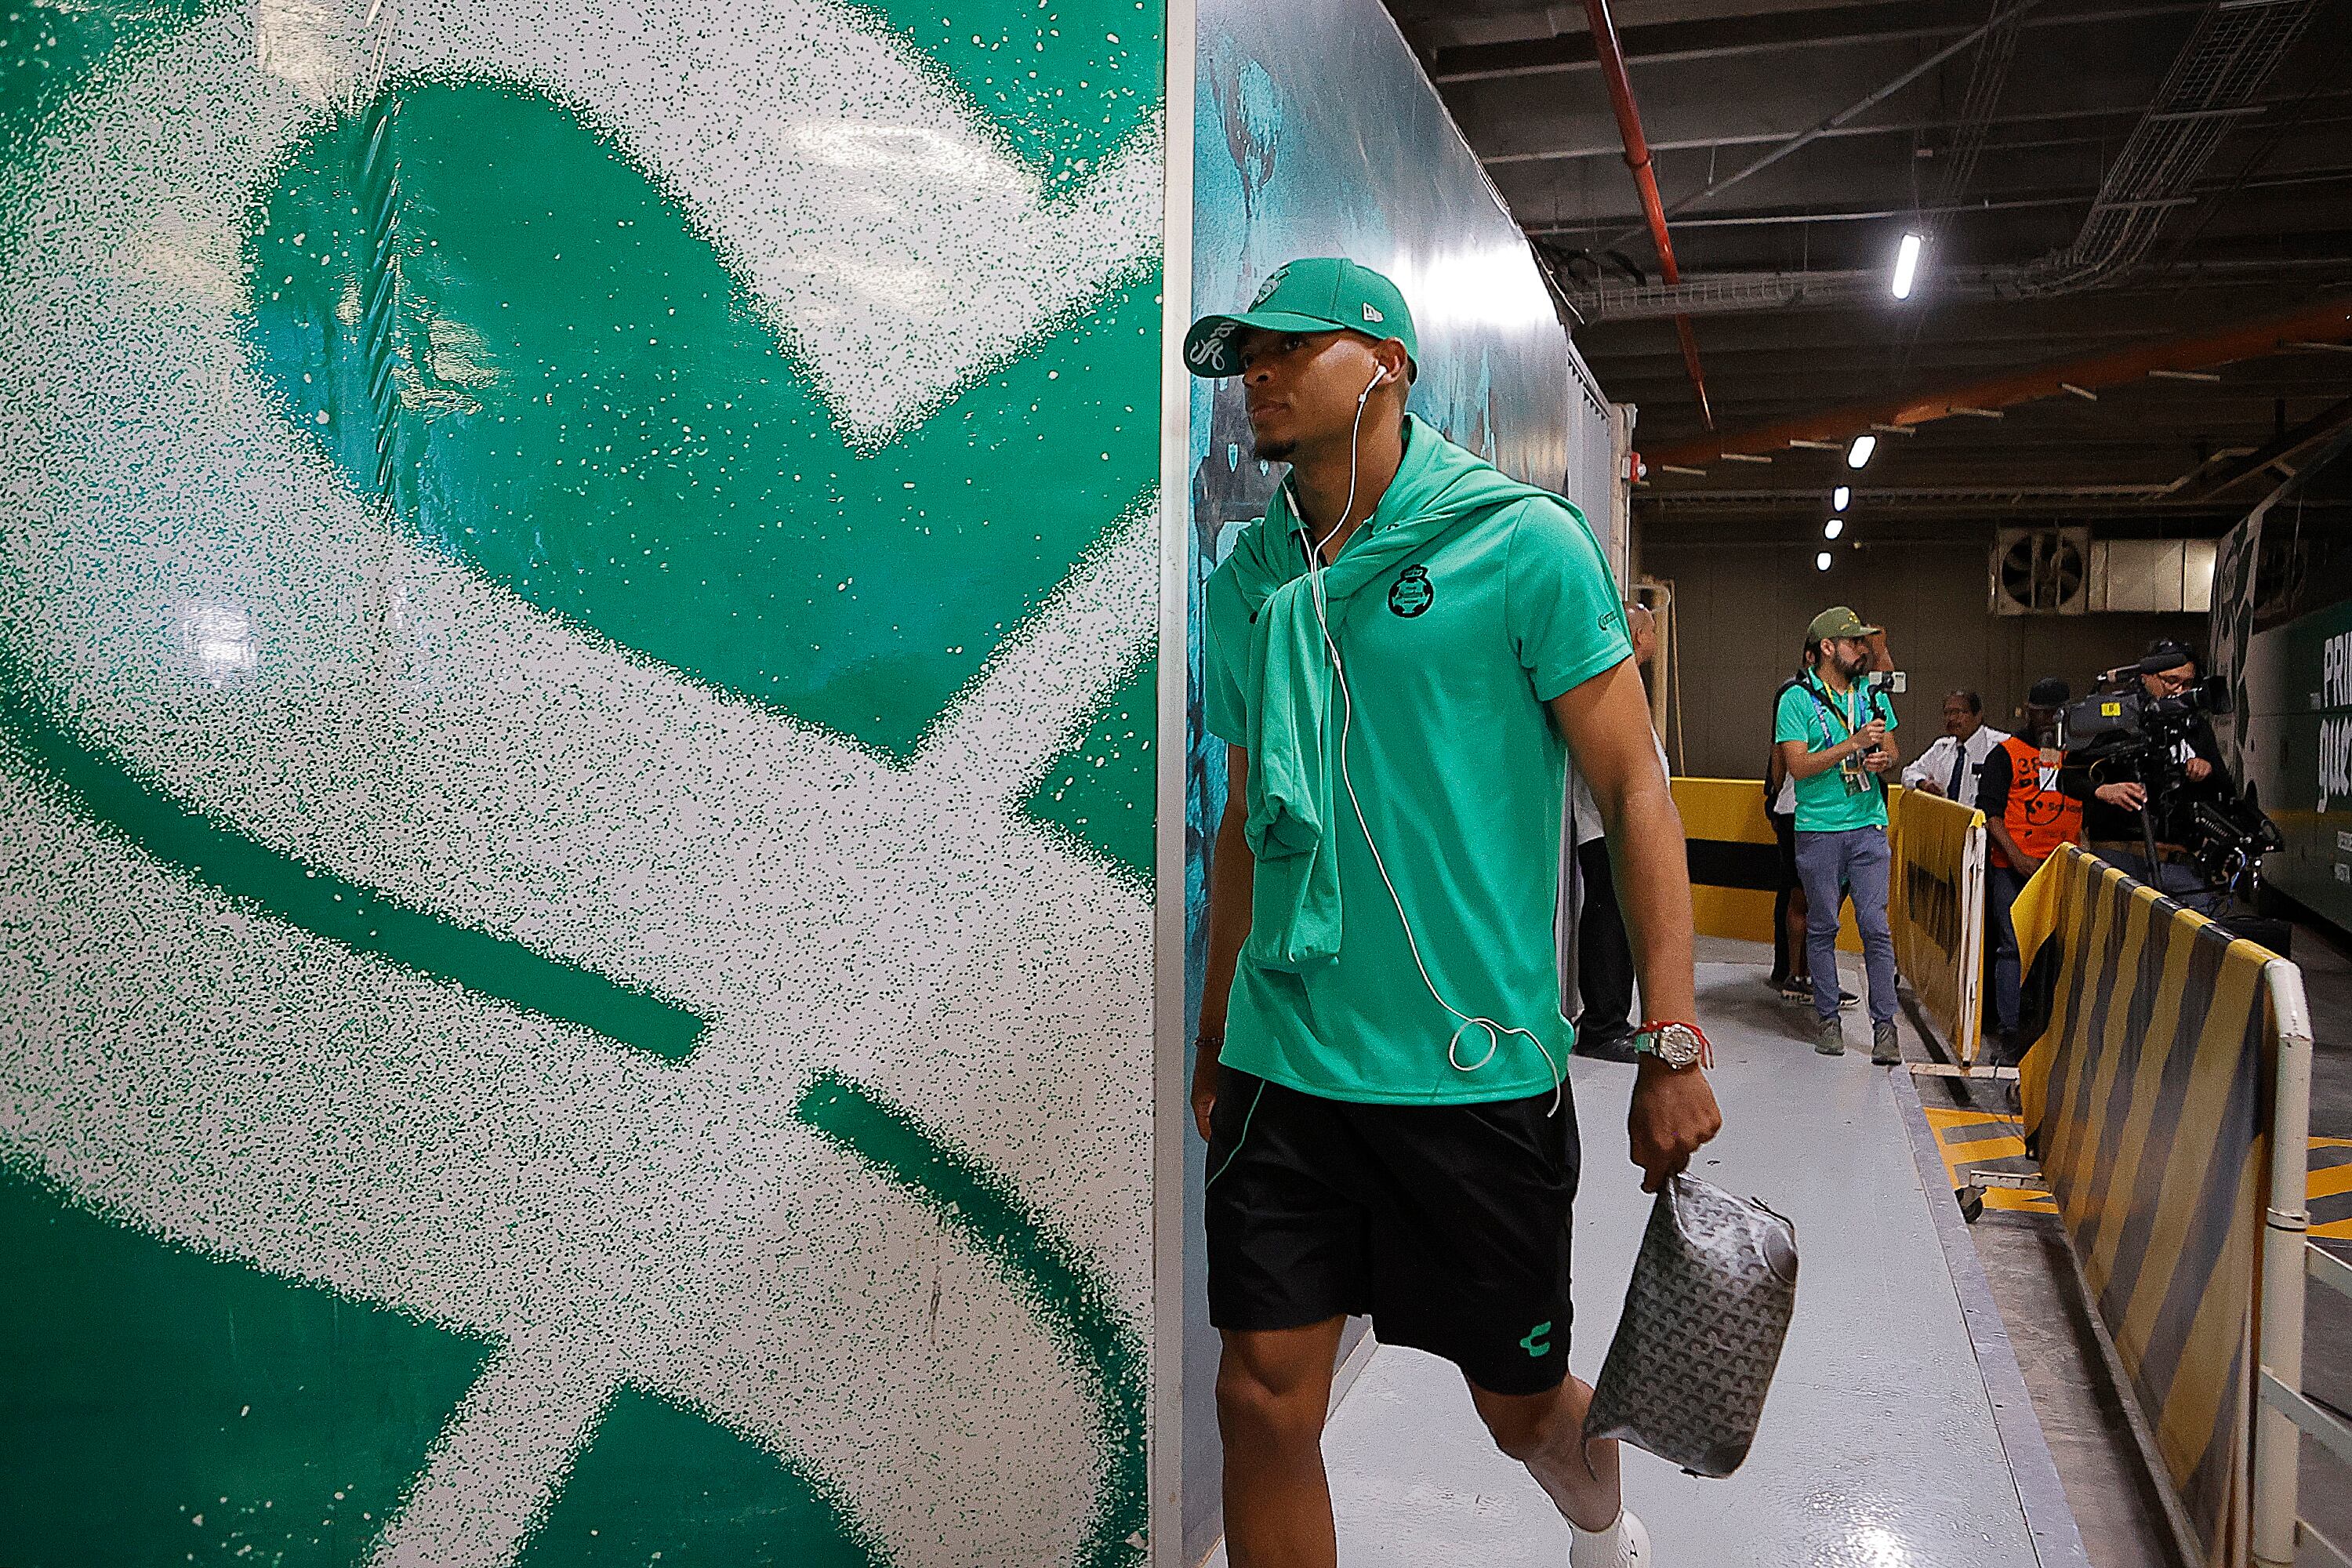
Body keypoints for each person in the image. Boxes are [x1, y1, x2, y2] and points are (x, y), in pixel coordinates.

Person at [1186, 257, 1722, 1568]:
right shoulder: (1251, 583)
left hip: (1474, 1077)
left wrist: (1672, 1037)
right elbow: (1250, 818)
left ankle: (1600, 1520)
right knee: (1260, 1395)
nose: (1255, 373)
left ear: (1387, 363)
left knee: (1520, 1407)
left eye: (1288, 348)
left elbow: (1635, 792)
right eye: (1242, 356)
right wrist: (1212, 1032)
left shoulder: (1521, 546)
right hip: (1288, 1062)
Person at [1774, 606, 1904, 1062]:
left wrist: (1882, 760)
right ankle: (1828, 1020)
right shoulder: (1796, 700)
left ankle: (1885, 1028)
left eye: (1864, 643)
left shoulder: (1872, 696)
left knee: (1875, 927)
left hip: (1868, 825)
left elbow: (1891, 750)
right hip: (1818, 830)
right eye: (1855, 643)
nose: (1864, 650)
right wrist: (1850, 746)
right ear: (1827, 648)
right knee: (1823, 925)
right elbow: (1798, 766)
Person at [1567, 602, 1672, 1064]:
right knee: (1608, 921)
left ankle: (1613, 1018)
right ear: (1637, 635)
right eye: (1650, 635)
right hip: (1606, 824)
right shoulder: (1607, 680)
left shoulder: (1623, 681)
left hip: (1616, 822)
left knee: (1620, 921)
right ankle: (1602, 1024)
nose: (1652, 647)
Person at [1977, 677, 2085, 1063]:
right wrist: (2016, 855)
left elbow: (2085, 809)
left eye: (2057, 713)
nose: (2048, 721)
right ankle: (2009, 1032)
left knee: (2055, 952)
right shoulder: (2006, 754)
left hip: (2063, 867)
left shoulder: (2078, 754)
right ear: (2030, 710)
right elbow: (1990, 814)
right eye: (2042, 712)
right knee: (2012, 948)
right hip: (2013, 868)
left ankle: (2051, 1030)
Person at [2066, 639, 2227, 892]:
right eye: (2171, 681)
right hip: (2119, 858)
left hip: (2179, 862)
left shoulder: (2196, 727)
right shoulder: (2117, 720)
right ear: (2146, 677)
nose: (2179, 690)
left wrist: (2207, 771)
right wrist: (2104, 791)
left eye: (2187, 683)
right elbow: (2067, 779)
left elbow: (2225, 789)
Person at [1763, 643, 1856, 1010]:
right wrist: (1777, 798)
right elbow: (1780, 756)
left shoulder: (1846, 696)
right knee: (1803, 895)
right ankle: (1798, 976)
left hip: (1824, 811)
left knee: (1817, 896)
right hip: (1798, 809)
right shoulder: (1795, 694)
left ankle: (1806, 974)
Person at [1900, 690, 2008, 810]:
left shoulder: (2001, 746)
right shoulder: (1942, 747)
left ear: (1978, 716)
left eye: (1958, 713)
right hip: (1947, 820)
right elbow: (1908, 773)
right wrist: (1923, 783)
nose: (1951, 718)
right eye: (1947, 713)